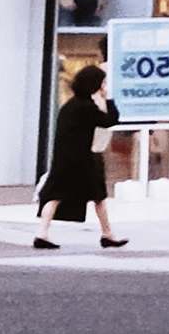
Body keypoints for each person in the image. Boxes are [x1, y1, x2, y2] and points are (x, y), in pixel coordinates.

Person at [32, 62, 126, 251]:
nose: (103, 85)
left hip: (63, 159)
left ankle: (41, 233)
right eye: (102, 82)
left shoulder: (70, 106)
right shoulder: (87, 108)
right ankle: (107, 234)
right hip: (83, 160)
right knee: (98, 197)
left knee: (54, 195)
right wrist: (108, 99)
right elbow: (110, 121)